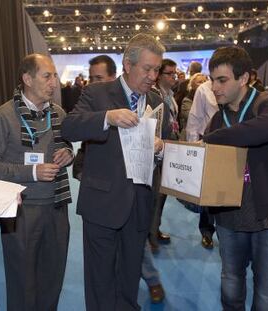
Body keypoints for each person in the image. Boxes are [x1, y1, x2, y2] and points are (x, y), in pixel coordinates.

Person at [62, 33, 165, 310]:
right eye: (147, 69)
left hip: (140, 204)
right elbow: (69, 127)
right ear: (128, 65)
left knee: (129, 278)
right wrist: (107, 118)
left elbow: (165, 142)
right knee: (100, 280)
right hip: (103, 204)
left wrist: (160, 148)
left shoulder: (156, 99)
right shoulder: (97, 93)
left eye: (157, 69)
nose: (153, 76)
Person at [203, 46, 268, 311]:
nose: (215, 87)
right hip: (230, 218)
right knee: (231, 287)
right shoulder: (217, 119)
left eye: (222, 80)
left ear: (243, 78)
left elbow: (265, 129)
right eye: (212, 80)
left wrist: (208, 141)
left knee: (267, 292)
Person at [0, 53, 73, 310]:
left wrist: (68, 153)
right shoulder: (3, 116)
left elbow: (65, 146)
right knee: (23, 283)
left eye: (54, 76)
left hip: (57, 207)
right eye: (47, 76)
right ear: (27, 78)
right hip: (21, 212)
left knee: (53, 278)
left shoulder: (60, 113)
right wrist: (31, 172)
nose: (54, 82)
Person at [148, 58, 179, 251]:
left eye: (175, 73)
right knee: (155, 198)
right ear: (159, 75)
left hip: (168, 150)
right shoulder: (153, 95)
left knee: (162, 197)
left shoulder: (170, 94)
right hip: (155, 154)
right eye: (169, 73)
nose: (174, 77)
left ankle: (154, 230)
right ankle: (150, 236)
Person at [185, 78, 218, 249]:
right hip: (209, 146)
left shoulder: (242, 88)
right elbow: (194, 118)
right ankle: (207, 231)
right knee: (208, 192)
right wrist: (192, 150)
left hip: (236, 146)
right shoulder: (204, 90)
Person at [179, 73, 207, 140]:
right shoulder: (187, 101)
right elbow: (193, 119)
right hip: (189, 137)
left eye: (204, 82)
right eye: (199, 82)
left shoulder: (208, 99)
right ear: (192, 85)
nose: (203, 84)